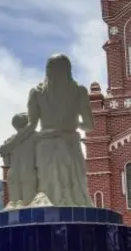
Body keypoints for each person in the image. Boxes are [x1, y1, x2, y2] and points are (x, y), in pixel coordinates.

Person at [5, 54, 95, 207]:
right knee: (74, 191)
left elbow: (31, 126)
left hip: (46, 146)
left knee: (48, 191)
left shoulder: (37, 92)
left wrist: (11, 144)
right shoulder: (79, 91)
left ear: (48, 71)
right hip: (70, 144)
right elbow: (89, 125)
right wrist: (74, 124)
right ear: (68, 70)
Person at [0, 112, 38, 209]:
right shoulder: (38, 137)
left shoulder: (9, 141)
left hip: (13, 175)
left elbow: (7, 163)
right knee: (30, 207)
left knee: (15, 207)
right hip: (30, 173)